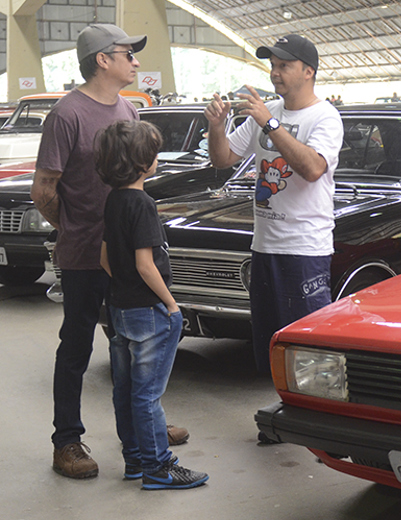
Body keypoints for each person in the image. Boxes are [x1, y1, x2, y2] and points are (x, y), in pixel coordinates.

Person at [30, 23, 187, 480]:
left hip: (125, 257)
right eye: (127, 54)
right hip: (85, 256)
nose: (135, 62)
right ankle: (67, 441)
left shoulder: (128, 109)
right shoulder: (66, 115)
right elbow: (44, 188)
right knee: (77, 346)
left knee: (133, 346)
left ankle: (145, 426)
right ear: (103, 59)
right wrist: (73, 228)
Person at [204, 34, 343, 382]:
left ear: (308, 71)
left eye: (284, 66)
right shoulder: (266, 113)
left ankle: (313, 409)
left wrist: (270, 123)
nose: (275, 73)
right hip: (265, 247)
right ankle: (278, 405)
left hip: (304, 249)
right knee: (270, 347)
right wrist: (216, 127)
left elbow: (312, 168)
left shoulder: (324, 117)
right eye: (273, 65)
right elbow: (223, 158)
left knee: (308, 349)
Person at [96, 120, 209, 490]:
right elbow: (146, 264)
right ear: (142, 163)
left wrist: (124, 288)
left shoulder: (113, 201)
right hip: (148, 312)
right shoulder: (143, 204)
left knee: (125, 390)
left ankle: (135, 460)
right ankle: (159, 467)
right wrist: (171, 305)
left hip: (119, 308)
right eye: (154, 153)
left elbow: (105, 259)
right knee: (148, 395)